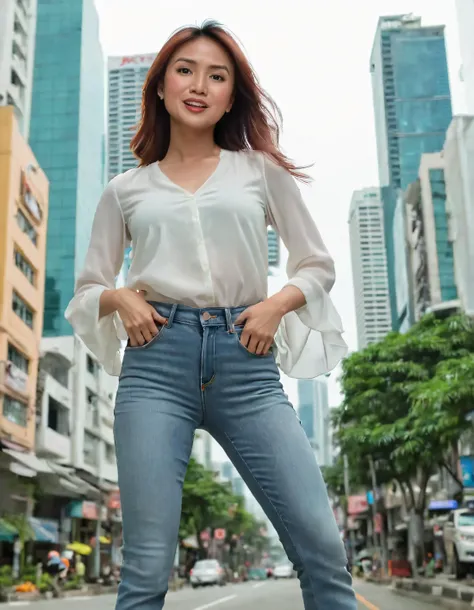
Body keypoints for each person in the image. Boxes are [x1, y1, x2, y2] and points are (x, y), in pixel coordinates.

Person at [65, 20, 356, 610]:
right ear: (162, 86)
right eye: (186, 70)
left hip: (246, 365)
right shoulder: (126, 190)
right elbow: (88, 289)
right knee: (146, 568)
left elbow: (316, 264)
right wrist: (120, 298)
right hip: (156, 367)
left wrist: (275, 305)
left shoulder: (259, 172)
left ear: (231, 95)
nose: (199, 85)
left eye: (216, 76)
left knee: (322, 545)